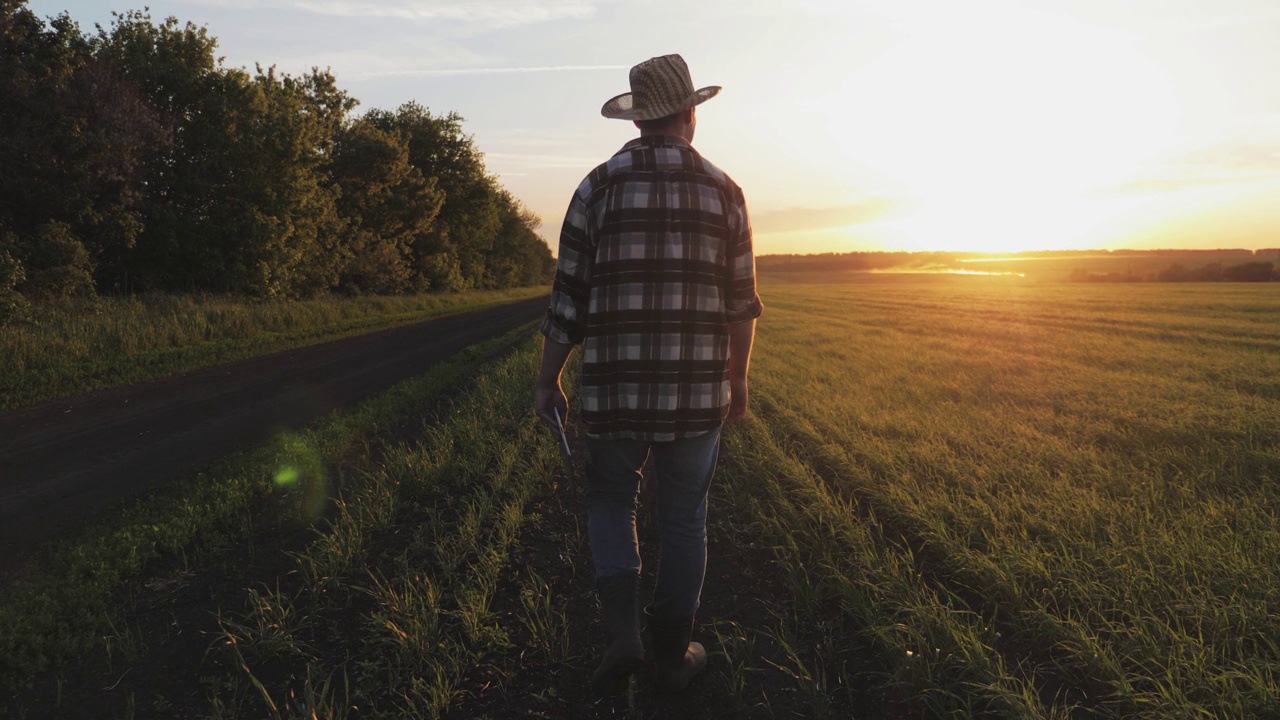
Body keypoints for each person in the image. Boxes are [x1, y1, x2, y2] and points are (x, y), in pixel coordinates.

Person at [533, 53, 763, 696]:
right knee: (686, 514)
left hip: (613, 389)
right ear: (690, 114)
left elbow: (567, 301)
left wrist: (547, 380)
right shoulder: (726, 190)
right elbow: (741, 302)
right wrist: (737, 380)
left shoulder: (596, 186)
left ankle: (622, 635)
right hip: (696, 394)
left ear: (637, 120)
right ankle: (670, 654)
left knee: (610, 499)